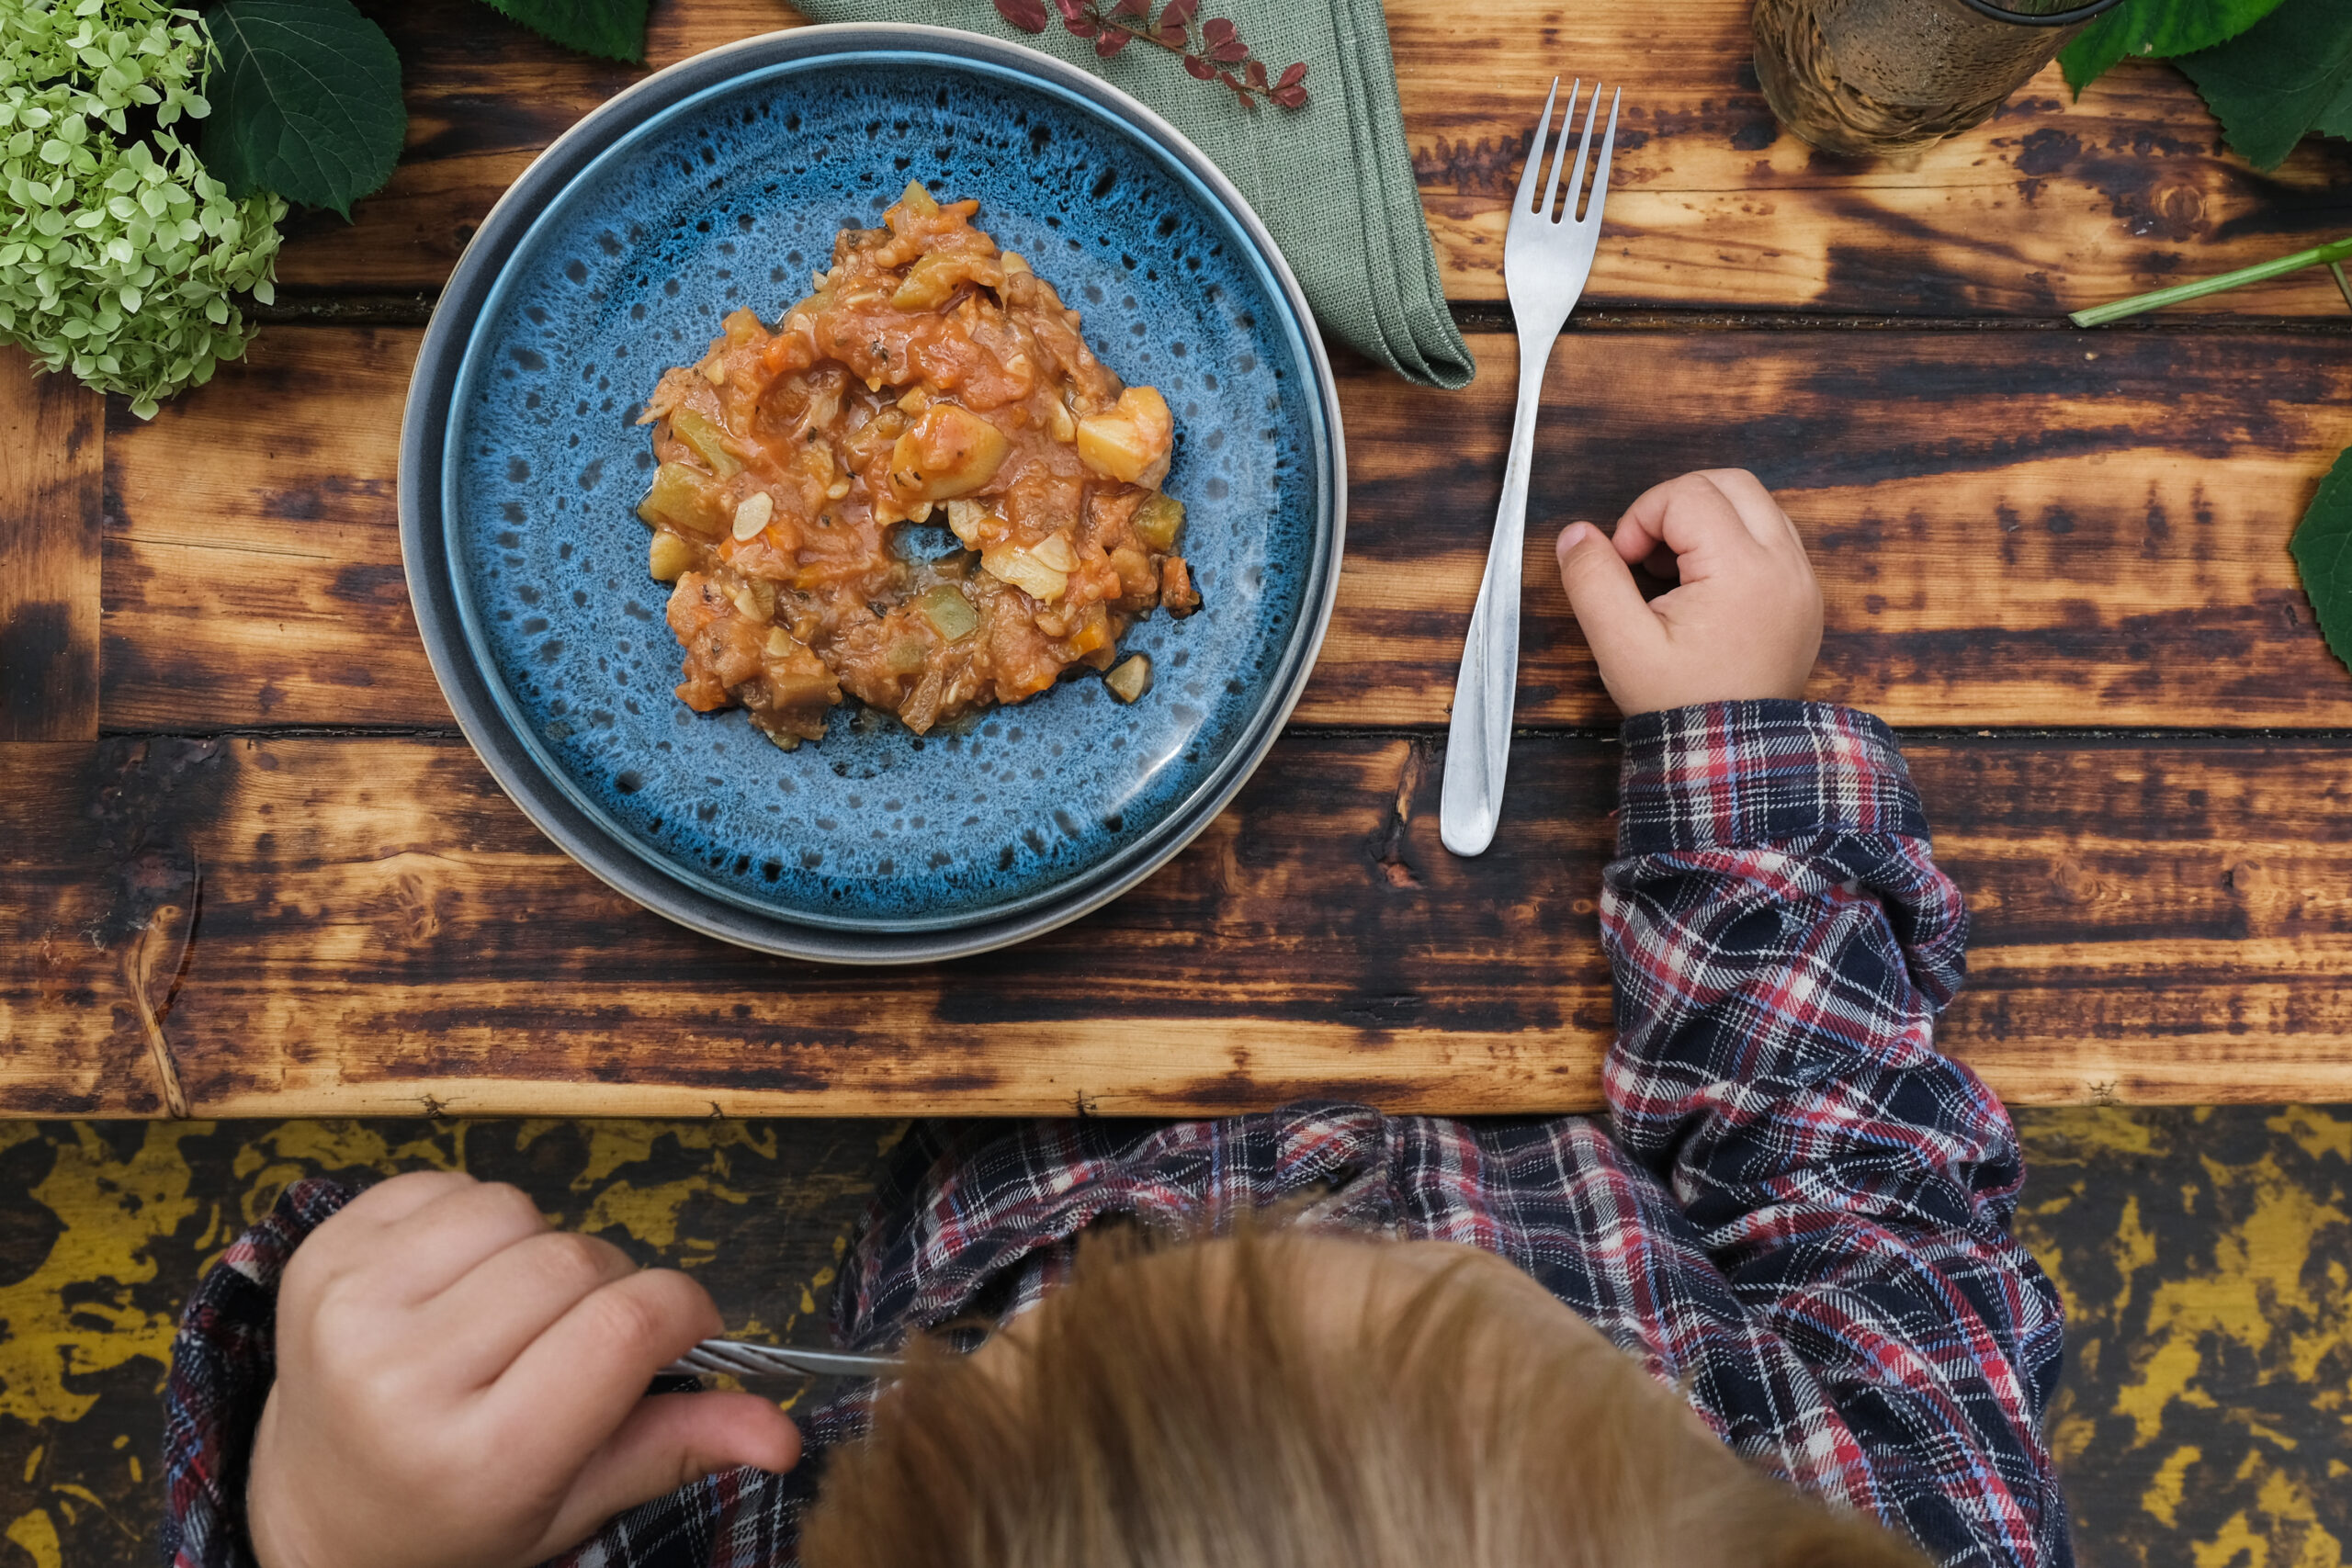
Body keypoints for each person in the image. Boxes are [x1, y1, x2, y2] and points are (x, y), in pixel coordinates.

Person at [161, 470, 2069, 1568]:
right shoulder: (1899, 1521)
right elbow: (1848, 1203)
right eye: (1415, 1288)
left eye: (1054, 1342)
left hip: (978, 1116)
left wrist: (336, 1522)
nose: (1256, 1216)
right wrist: (1732, 755)